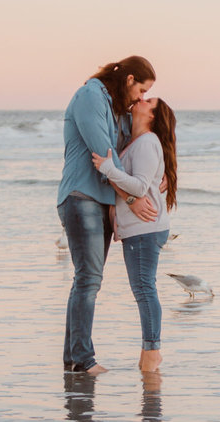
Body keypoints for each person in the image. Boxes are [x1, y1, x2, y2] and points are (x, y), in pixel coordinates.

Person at [57, 56, 157, 375]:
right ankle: (83, 360)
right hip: (81, 195)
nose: (141, 98)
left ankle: (73, 359)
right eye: (141, 90)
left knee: (88, 280)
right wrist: (131, 197)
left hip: (103, 201)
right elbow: (106, 156)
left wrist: (161, 172)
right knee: (88, 278)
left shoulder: (117, 109)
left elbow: (132, 149)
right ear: (128, 80)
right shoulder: (91, 96)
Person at [92, 98, 178, 372]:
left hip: (146, 228)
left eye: (148, 100)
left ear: (152, 115)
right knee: (143, 289)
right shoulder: (135, 140)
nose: (142, 98)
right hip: (142, 229)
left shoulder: (147, 142)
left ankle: (152, 352)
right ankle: (150, 351)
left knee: (144, 289)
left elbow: (140, 187)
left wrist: (107, 169)